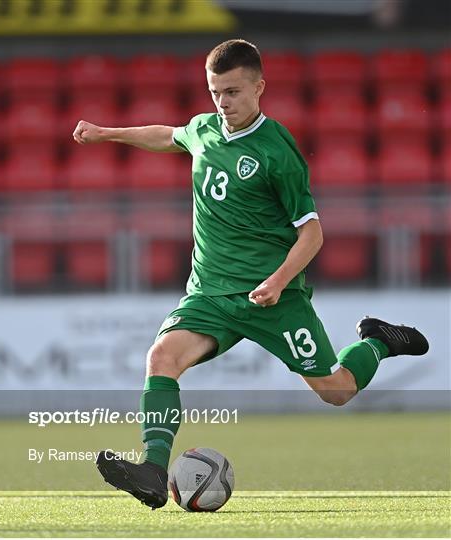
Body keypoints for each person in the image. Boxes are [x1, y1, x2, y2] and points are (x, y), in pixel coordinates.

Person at [73, 39, 429, 510]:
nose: (223, 103)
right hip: (210, 294)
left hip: (272, 299)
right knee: (162, 358)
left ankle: (378, 340)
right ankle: (154, 471)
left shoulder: (277, 152)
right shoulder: (205, 130)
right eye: (216, 91)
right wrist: (106, 133)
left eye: (234, 92)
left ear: (259, 87)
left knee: (336, 391)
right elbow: (169, 135)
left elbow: (313, 234)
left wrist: (279, 281)